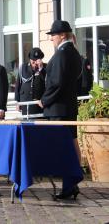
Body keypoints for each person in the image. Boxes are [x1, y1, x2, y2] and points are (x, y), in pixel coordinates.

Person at [38, 20, 82, 200]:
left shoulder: (63, 54)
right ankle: (71, 183)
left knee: (64, 148)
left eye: (53, 36)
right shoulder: (73, 52)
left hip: (59, 109)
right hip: (66, 107)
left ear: (62, 35)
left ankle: (69, 186)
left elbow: (57, 83)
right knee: (70, 145)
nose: (52, 39)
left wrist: (44, 100)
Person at [15, 48, 46, 116]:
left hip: (39, 104)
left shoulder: (45, 68)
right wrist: (17, 102)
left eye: (37, 60)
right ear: (30, 59)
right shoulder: (23, 67)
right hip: (25, 103)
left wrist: (41, 69)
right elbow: (18, 85)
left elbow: (47, 83)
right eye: (33, 61)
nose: (35, 63)